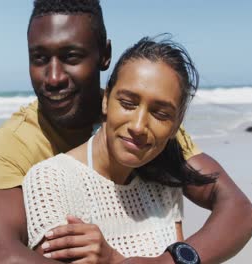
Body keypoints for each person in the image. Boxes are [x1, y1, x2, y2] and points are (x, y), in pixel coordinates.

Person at [0, 1, 252, 263]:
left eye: (71, 57)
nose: (54, 77)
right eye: (40, 58)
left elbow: (238, 209)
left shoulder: (147, 131)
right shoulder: (16, 143)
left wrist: (168, 261)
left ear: (104, 56)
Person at [22, 36, 217, 263]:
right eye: (127, 104)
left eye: (161, 114)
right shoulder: (51, 181)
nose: (138, 126)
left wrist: (114, 259)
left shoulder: (164, 184)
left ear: (176, 124)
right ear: (106, 101)